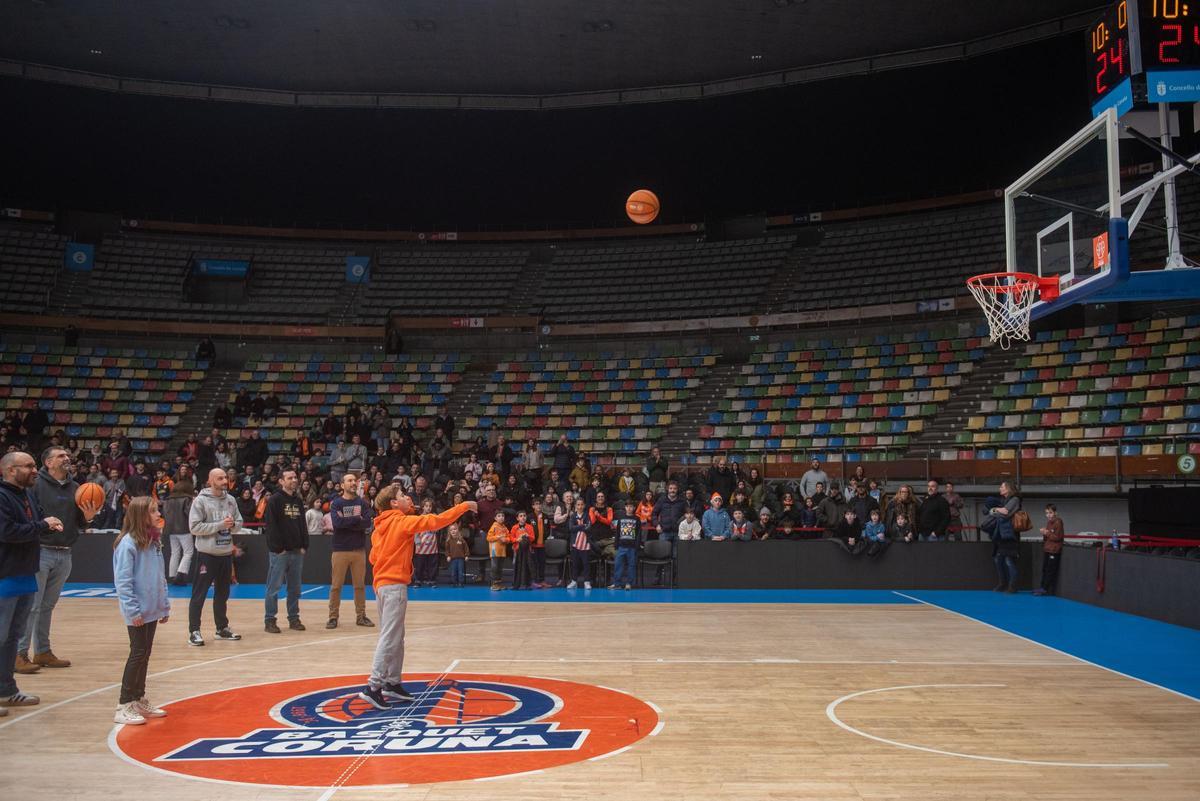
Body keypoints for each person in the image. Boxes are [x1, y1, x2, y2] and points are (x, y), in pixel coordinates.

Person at [356, 485, 475, 709]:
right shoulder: (402, 522)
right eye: (402, 496)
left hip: (381, 586)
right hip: (394, 586)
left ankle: (392, 682)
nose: (407, 497)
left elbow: (373, 558)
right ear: (393, 503)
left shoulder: (380, 527)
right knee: (390, 637)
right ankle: (373, 687)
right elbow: (436, 521)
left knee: (396, 636)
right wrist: (463, 506)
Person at [17, 446, 99, 673]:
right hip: (39, 550)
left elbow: (80, 522)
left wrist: (88, 518)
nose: (67, 458)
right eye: (61, 456)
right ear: (48, 462)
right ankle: (19, 654)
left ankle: (42, 651)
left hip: (65, 552)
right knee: (32, 606)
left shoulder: (76, 487)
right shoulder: (34, 485)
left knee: (47, 606)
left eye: (67, 455)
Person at [1, 451, 64, 712]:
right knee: (1, 636)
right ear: (10, 470)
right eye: (28, 466)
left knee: (13, 637)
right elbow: (7, 532)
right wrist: (42, 526)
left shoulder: (26, 494)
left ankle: (6, 690)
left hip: (25, 574)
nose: (34, 470)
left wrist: (47, 524)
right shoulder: (2, 496)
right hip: (4, 576)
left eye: (34, 465)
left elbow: (36, 522)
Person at [112, 495, 171, 725]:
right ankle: (123, 704)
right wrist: (132, 610)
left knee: (145, 654)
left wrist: (164, 605)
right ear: (141, 515)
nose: (158, 514)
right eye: (154, 511)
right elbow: (123, 582)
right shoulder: (128, 544)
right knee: (137, 654)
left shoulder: (154, 541)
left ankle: (138, 698)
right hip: (137, 611)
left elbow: (160, 576)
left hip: (152, 609)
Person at [187, 468, 243, 646]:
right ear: (210, 481)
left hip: (225, 554)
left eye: (225, 477)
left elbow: (239, 522)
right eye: (220, 478)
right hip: (207, 554)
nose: (225, 481)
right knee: (199, 594)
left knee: (222, 594)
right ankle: (194, 631)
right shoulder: (200, 501)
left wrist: (232, 525)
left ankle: (222, 628)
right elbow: (194, 528)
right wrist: (220, 525)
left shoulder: (231, 500)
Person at [262, 469, 308, 634]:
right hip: (280, 553)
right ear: (281, 481)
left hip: (296, 551)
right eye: (290, 478)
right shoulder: (275, 500)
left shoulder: (298, 500)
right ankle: (270, 620)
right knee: (273, 588)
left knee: (295, 588)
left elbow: (302, 524)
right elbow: (271, 526)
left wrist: (304, 545)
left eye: (295, 477)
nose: (294, 480)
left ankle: (294, 618)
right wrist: (278, 548)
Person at [328, 473, 374, 629]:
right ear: (342, 485)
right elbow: (337, 523)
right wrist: (356, 519)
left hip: (358, 550)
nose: (353, 482)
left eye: (355, 480)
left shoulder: (362, 503)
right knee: (336, 586)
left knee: (359, 586)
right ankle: (333, 617)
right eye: (350, 480)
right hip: (340, 550)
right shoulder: (336, 503)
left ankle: (361, 616)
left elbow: (366, 523)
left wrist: (348, 521)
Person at [985, 481, 1022, 593]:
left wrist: (995, 510)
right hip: (1000, 534)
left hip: (1010, 535)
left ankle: (1012, 586)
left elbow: (1006, 512)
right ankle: (1002, 583)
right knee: (998, 559)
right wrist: (997, 510)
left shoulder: (1015, 500)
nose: (1000, 488)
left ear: (1008, 488)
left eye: (1002, 487)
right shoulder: (1003, 501)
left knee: (1009, 561)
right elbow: (996, 511)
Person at [162, 480, 194, 585]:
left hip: (170, 529)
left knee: (174, 552)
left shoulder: (167, 500)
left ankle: (172, 576)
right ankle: (181, 575)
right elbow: (190, 514)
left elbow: (165, 514)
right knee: (188, 552)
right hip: (184, 528)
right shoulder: (187, 499)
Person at [1034, 503, 1064, 597]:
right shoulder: (1049, 523)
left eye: (1050, 513)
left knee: (1050, 570)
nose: (1048, 515)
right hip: (1047, 549)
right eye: (1047, 513)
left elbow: (1058, 537)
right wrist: (1045, 533)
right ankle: (1042, 587)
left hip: (1054, 551)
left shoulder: (1058, 522)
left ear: (1055, 513)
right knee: (1045, 569)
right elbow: (1048, 537)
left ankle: (1045, 589)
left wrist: (1046, 533)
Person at [610, 500, 640, 590]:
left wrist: (637, 545)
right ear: (625, 507)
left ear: (634, 508)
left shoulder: (637, 519)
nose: (629, 508)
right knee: (618, 565)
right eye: (627, 506)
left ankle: (629, 583)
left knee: (631, 565)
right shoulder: (621, 518)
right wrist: (616, 544)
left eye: (631, 506)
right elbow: (617, 532)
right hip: (621, 546)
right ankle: (617, 583)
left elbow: (638, 533)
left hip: (632, 547)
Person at [411, 499, 440, 588]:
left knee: (432, 564)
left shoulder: (434, 517)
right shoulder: (419, 518)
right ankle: (417, 580)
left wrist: (435, 522)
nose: (428, 508)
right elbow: (416, 530)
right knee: (419, 564)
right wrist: (417, 542)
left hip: (432, 544)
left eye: (430, 506)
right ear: (423, 507)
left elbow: (437, 529)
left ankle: (432, 580)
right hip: (421, 545)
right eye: (426, 506)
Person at [566, 498, 592, 590]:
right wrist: (582, 525)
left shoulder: (587, 515)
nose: (580, 506)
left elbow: (588, 527)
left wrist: (578, 526)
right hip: (575, 544)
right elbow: (571, 528)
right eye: (578, 505)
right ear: (575, 506)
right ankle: (574, 581)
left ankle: (587, 582)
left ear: (584, 505)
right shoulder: (573, 516)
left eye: (581, 504)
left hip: (585, 544)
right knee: (575, 564)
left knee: (586, 564)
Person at [508, 510, 535, 590]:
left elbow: (533, 538)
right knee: (517, 566)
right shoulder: (514, 527)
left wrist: (528, 535)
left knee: (527, 566)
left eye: (524, 516)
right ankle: (516, 584)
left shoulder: (529, 527)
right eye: (521, 516)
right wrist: (517, 539)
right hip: (517, 550)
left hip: (527, 550)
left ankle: (527, 584)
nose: (523, 517)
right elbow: (511, 538)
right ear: (517, 518)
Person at [486, 510, 509, 591]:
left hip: (502, 552)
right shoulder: (494, 527)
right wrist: (498, 537)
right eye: (499, 516)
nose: (501, 517)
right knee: (494, 568)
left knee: (500, 568)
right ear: (495, 518)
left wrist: (506, 540)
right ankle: (494, 584)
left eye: (502, 516)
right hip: (494, 551)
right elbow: (488, 538)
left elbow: (508, 537)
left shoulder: (505, 528)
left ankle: (499, 584)